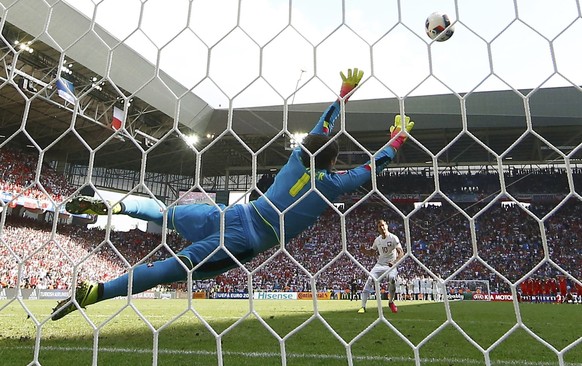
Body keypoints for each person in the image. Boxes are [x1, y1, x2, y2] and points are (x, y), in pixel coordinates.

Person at [51, 68, 415, 321]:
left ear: (306, 149)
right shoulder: (332, 185)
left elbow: (321, 128)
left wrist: (341, 98)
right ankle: (96, 293)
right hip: (243, 239)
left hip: (233, 213)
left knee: (163, 212)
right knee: (170, 270)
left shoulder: (295, 159)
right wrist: (396, 140)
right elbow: (372, 167)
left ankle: (115, 204)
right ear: (333, 163)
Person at [357, 219, 404, 314]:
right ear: (378, 229)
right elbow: (372, 252)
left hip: (390, 265)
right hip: (379, 264)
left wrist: (394, 262)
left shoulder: (393, 238)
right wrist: (364, 251)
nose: (382, 227)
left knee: (392, 279)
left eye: (383, 225)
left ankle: (391, 302)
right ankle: (363, 307)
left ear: (387, 226)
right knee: (370, 280)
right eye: (380, 226)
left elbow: (401, 253)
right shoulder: (377, 240)